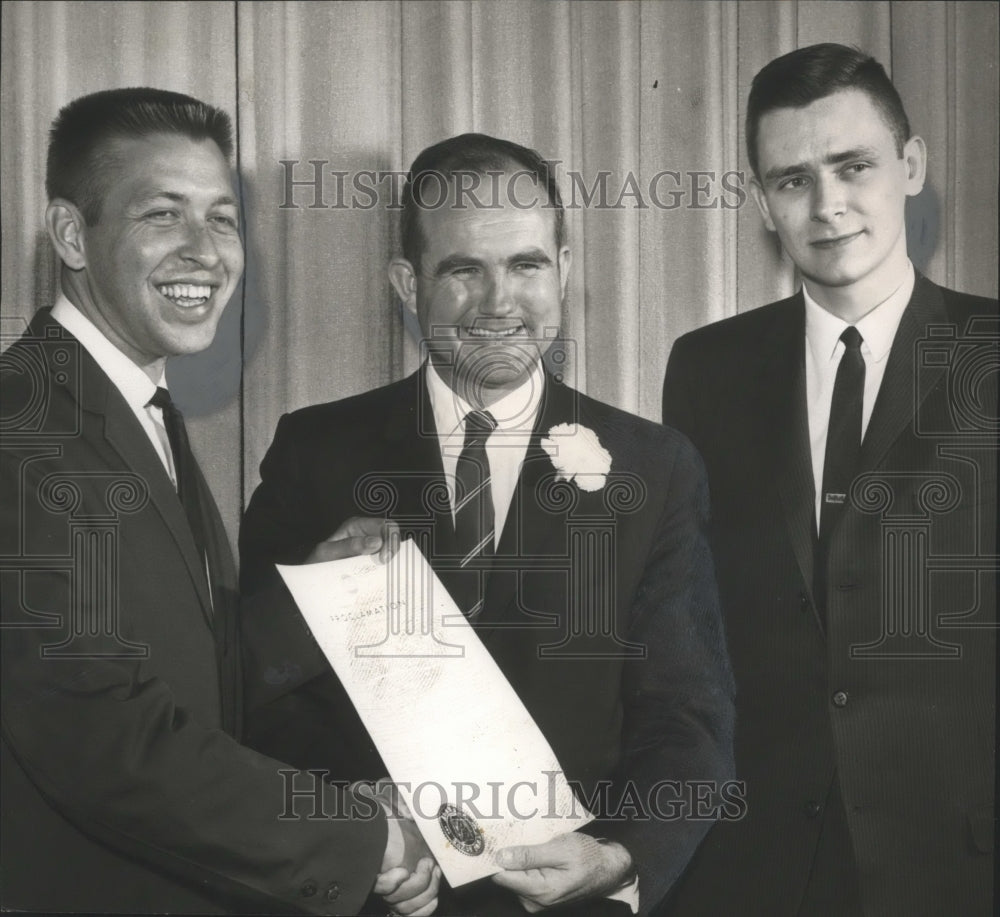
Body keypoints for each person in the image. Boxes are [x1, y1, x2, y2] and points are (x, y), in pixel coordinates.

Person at [239, 133, 735, 916]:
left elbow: (688, 717)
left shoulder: (655, 467)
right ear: (409, 283)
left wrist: (614, 857)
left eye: (527, 264)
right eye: (464, 269)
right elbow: (253, 693)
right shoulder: (315, 452)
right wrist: (358, 828)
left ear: (565, 271)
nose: (500, 302)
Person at [0, 87, 439, 916]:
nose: (204, 251)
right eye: (162, 215)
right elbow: (104, 739)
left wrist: (316, 594)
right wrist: (364, 836)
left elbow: (178, 668)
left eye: (224, 219)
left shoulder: (132, 407)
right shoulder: (21, 427)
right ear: (71, 234)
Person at [661, 43, 997, 917]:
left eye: (854, 166)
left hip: (961, 866)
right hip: (754, 868)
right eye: (793, 179)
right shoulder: (706, 369)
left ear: (911, 165)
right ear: (762, 203)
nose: (828, 204)